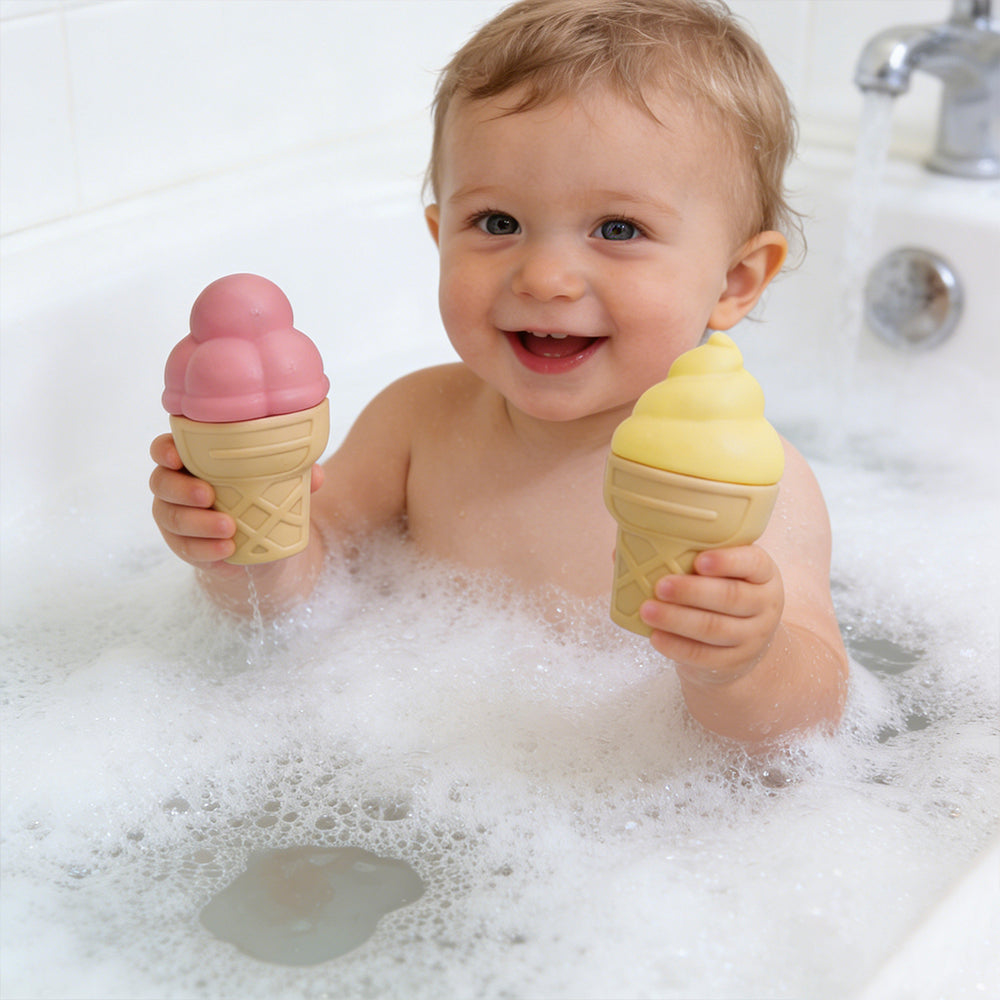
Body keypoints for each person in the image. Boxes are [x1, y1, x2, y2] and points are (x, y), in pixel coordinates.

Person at [150, 0, 849, 746]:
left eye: (619, 229)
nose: (545, 276)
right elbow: (301, 592)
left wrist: (745, 664)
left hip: (628, 813)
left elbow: (814, 711)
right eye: (496, 223)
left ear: (736, 280)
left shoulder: (753, 486)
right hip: (407, 757)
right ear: (439, 233)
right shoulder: (417, 419)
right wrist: (236, 551)